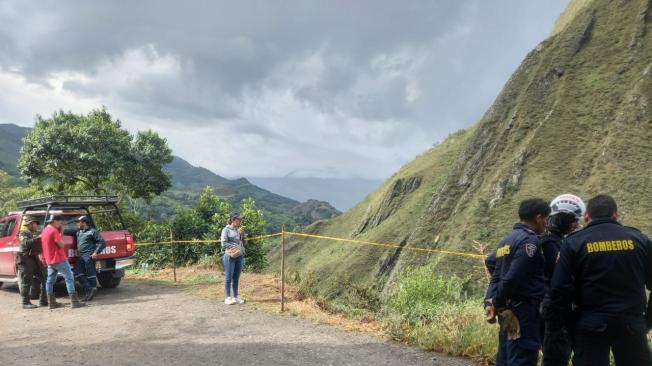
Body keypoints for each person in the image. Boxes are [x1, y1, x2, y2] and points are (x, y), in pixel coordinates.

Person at [547, 194, 652, 366]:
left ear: (586, 216)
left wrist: (567, 326)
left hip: (589, 323)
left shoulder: (573, 243)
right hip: (631, 322)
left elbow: (558, 289)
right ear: (616, 215)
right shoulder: (640, 240)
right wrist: (647, 321)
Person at [486, 198, 550, 366]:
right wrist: (497, 301)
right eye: (546, 218)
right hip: (524, 311)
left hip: (507, 311)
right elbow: (512, 277)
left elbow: (495, 272)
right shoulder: (530, 241)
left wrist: (490, 301)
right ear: (538, 218)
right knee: (523, 357)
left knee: (506, 356)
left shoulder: (505, 241)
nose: (546, 223)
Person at [540, 194, 585, 366]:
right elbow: (558, 277)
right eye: (573, 220)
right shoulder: (551, 243)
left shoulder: (553, 240)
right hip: (555, 307)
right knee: (556, 355)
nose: (576, 224)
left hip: (549, 304)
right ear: (563, 219)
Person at [41, 216, 85, 309]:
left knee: (50, 281)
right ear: (55, 221)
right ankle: (74, 302)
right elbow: (61, 245)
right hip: (59, 258)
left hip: (50, 260)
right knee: (69, 278)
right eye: (60, 223)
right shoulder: (54, 231)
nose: (60, 225)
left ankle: (51, 303)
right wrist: (61, 231)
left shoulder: (44, 231)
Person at [15, 217, 48, 309]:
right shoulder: (23, 233)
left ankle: (43, 300)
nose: (35, 225)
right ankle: (25, 302)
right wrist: (39, 237)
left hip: (34, 259)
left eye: (35, 223)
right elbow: (26, 243)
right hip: (25, 259)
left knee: (45, 277)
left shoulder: (35, 233)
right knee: (26, 281)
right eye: (33, 223)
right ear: (28, 225)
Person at [73, 216, 106, 301]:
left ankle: (89, 294)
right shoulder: (78, 232)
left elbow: (102, 242)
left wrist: (96, 252)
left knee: (90, 274)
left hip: (88, 255)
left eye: (78, 222)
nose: (77, 224)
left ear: (84, 223)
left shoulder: (93, 232)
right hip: (80, 256)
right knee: (77, 273)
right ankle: (89, 289)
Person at [221, 212, 246, 305]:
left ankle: (236, 297)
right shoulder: (226, 230)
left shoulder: (238, 230)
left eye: (240, 220)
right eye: (238, 219)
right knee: (228, 277)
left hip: (239, 255)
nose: (240, 221)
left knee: (236, 277)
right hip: (229, 256)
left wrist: (242, 235)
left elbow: (243, 243)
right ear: (233, 220)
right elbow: (223, 243)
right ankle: (228, 297)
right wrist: (235, 246)